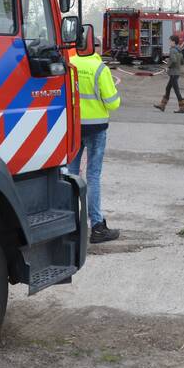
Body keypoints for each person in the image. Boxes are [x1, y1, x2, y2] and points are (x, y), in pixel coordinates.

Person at [68, 46, 122, 243]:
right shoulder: (99, 68)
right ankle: (97, 227)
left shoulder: (70, 64)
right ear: (95, 49)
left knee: (70, 175)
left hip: (73, 126)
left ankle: (69, 224)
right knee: (93, 176)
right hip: (96, 128)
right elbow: (113, 103)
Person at [154, 34, 184, 114]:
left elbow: (174, 60)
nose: (169, 43)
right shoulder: (179, 50)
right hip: (177, 72)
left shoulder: (172, 50)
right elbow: (182, 62)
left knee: (176, 90)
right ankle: (162, 105)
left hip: (173, 73)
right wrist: (172, 60)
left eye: (170, 41)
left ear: (173, 42)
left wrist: (168, 66)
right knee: (168, 88)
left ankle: (182, 108)